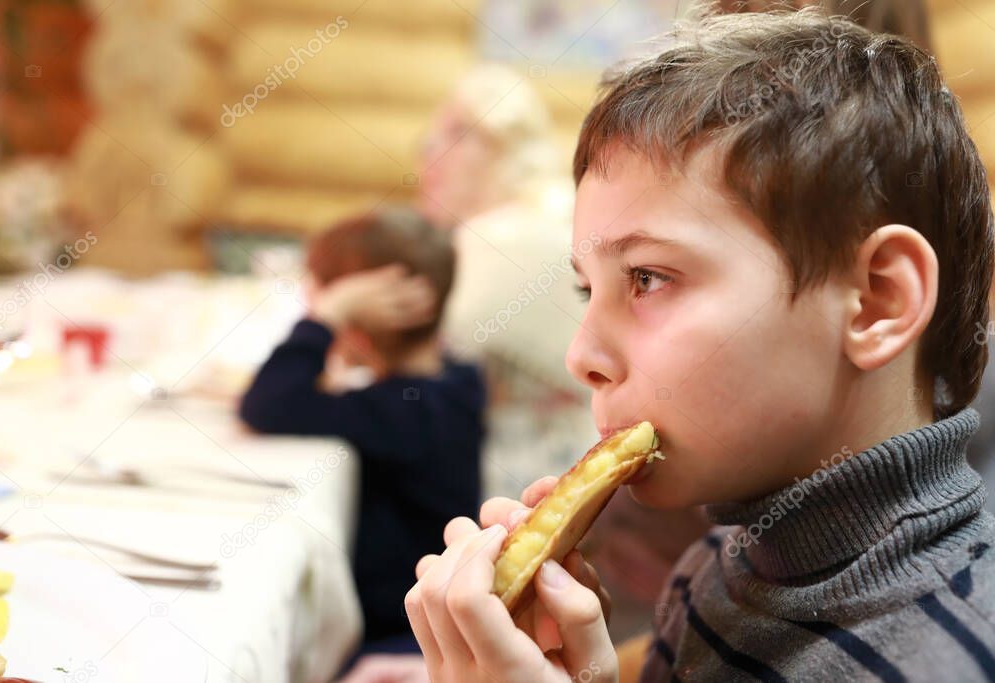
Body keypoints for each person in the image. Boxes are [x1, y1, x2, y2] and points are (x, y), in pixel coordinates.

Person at [405, 7, 995, 682]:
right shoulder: (716, 568)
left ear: (877, 300)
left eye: (648, 278)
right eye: (585, 291)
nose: (580, 356)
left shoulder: (951, 658)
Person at [238, 207, 486, 664]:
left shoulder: (401, 413)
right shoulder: (455, 383)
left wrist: (328, 314)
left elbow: (265, 404)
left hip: (398, 640)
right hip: (421, 621)